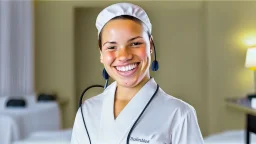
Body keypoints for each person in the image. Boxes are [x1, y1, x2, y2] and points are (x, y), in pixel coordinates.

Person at [71, 2, 204, 144]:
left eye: (135, 44)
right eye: (111, 47)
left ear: (151, 45)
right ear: (101, 54)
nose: (124, 56)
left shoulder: (180, 114)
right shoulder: (87, 111)